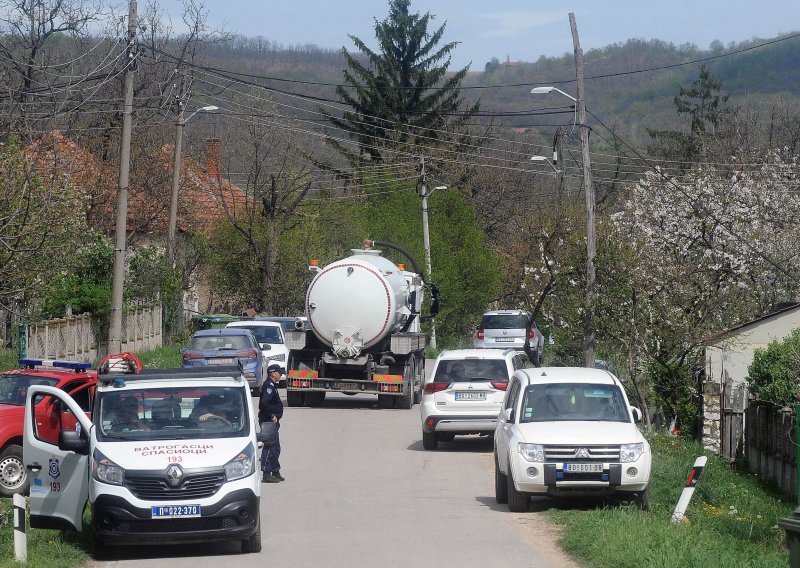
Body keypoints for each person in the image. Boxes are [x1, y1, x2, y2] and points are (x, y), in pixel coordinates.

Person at [259, 364, 284, 483]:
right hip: (268, 421)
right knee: (270, 447)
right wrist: (272, 415)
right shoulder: (269, 386)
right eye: (279, 372)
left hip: (271, 422)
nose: (281, 374)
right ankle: (266, 473)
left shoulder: (273, 385)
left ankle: (275, 470)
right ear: (273, 374)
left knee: (276, 447)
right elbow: (264, 403)